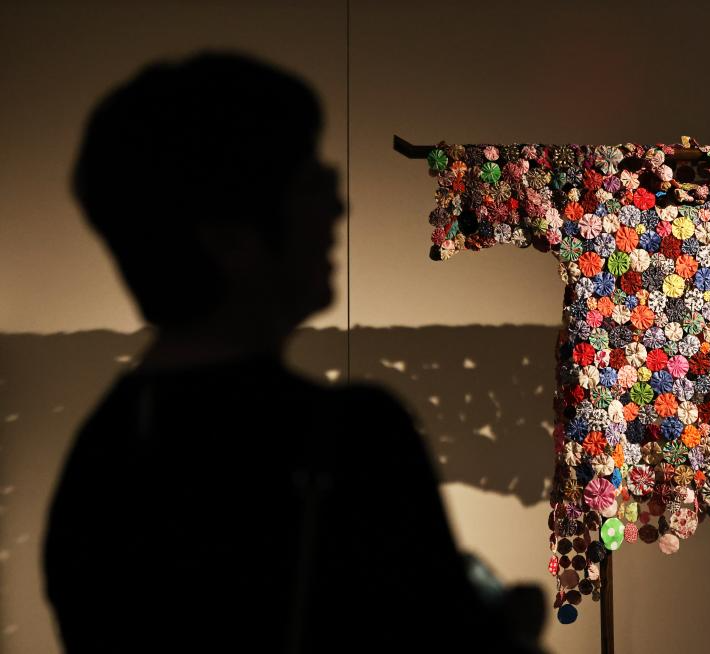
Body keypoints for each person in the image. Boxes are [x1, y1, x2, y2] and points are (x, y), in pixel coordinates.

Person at [43, 50, 544, 653]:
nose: (337, 208)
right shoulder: (356, 439)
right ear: (230, 239)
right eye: (310, 184)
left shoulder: (98, 459)